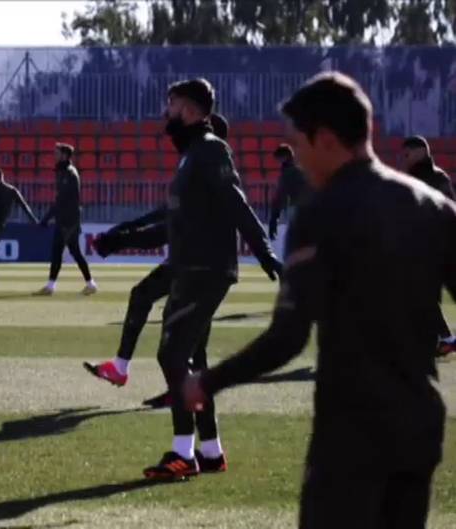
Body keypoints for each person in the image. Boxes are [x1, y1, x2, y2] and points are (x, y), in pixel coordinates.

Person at [183, 72, 453, 529]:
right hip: (419, 426)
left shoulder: (321, 214)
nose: (299, 160)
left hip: (352, 431)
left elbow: (287, 338)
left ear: (326, 139)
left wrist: (208, 382)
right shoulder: (434, 208)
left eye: (301, 144)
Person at [123, 79, 281, 481]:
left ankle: (182, 453)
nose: (166, 111)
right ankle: (210, 451)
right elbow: (179, 222)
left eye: (171, 104)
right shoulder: (193, 153)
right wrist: (125, 239)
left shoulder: (210, 149)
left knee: (171, 356)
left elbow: (237, 203)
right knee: (193, 359)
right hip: (193, 267)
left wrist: (265, 253)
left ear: (190, 110)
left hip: (204, 270)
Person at [86, 113, 274, 406]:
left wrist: (122, 237)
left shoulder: (207, 164)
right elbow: (167, 214)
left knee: (166, 318)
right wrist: (124, 231)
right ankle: (182, 397)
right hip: (197, 263)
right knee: (190, 334)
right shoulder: (200, 166)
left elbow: (171, 226)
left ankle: (177, 401)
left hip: (197, 264)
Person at [400, 136, 456, 357]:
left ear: (422, 151)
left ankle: (444, 338)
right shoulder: (412, 178)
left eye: (407, 154)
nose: (404, 159)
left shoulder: (436, 178)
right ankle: (440, 339)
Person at [36, 143, 97, 296]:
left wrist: (46, 218)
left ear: (64, 155)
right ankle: (90, 284)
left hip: (68, 220)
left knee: (59, 251)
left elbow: (62, 200)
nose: (54, 156)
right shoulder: (64, 171)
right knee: (74, 252)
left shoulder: (69, 173)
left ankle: (51, 286)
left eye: (56, 153)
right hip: (67, 219)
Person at [268, 144, 311, 240]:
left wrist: (274, 218)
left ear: (284, 158)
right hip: (308, 208)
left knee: (296, 241)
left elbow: (280, 195)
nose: (278, 162)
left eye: (278, 159)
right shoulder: (300, 169)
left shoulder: (288, 173)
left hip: (297, 208)